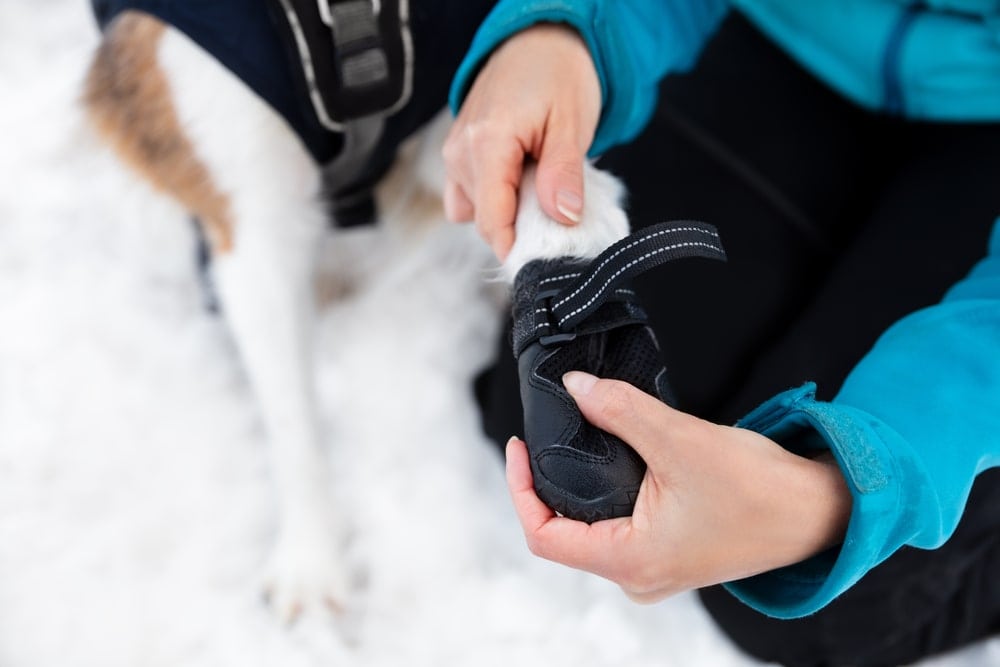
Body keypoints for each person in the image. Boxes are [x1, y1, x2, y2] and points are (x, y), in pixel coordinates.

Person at [442, 2, 1000, 665]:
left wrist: (832, 492)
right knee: (585, 435)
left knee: (819, 597)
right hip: (792, 30)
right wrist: (567, 31)